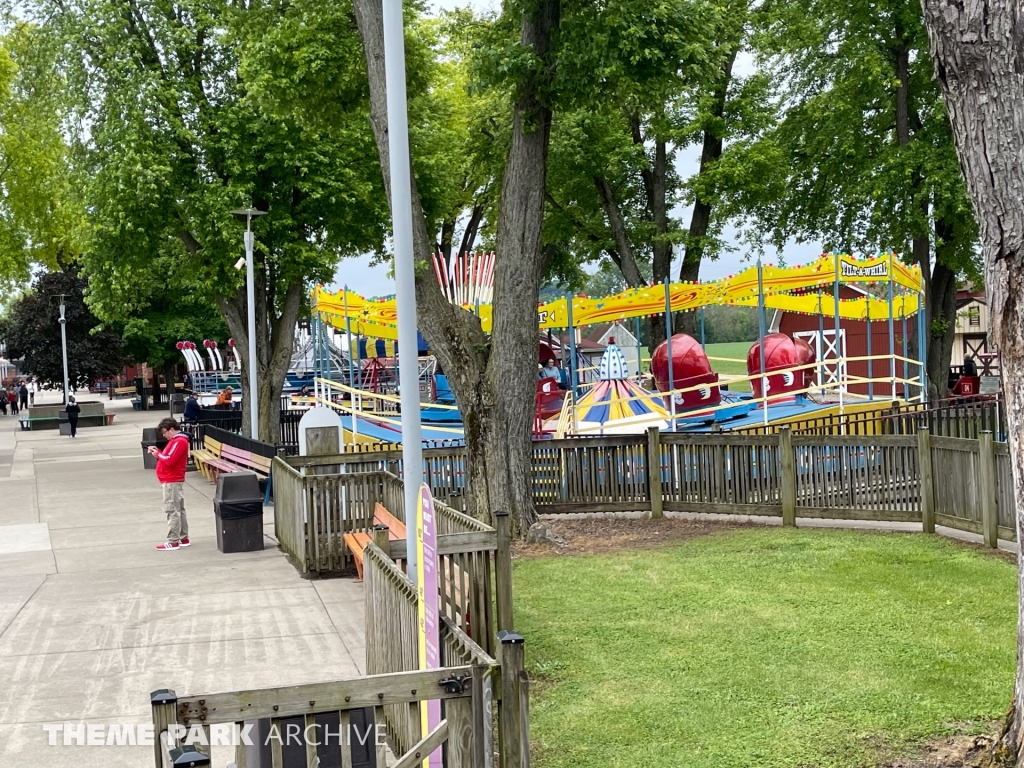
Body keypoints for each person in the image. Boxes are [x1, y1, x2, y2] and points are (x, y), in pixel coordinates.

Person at [147, 417, 190, 550]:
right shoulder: (177, 441)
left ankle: (173, 541)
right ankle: (183, 537)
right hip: (172, 479)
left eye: (165, 432)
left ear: (172, 429)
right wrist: (159, 453)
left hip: (171, 480)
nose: (165, 435)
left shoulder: (179, 441)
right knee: (179, 509)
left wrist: (157, 455)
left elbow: (169, 460)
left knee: (172, 510)